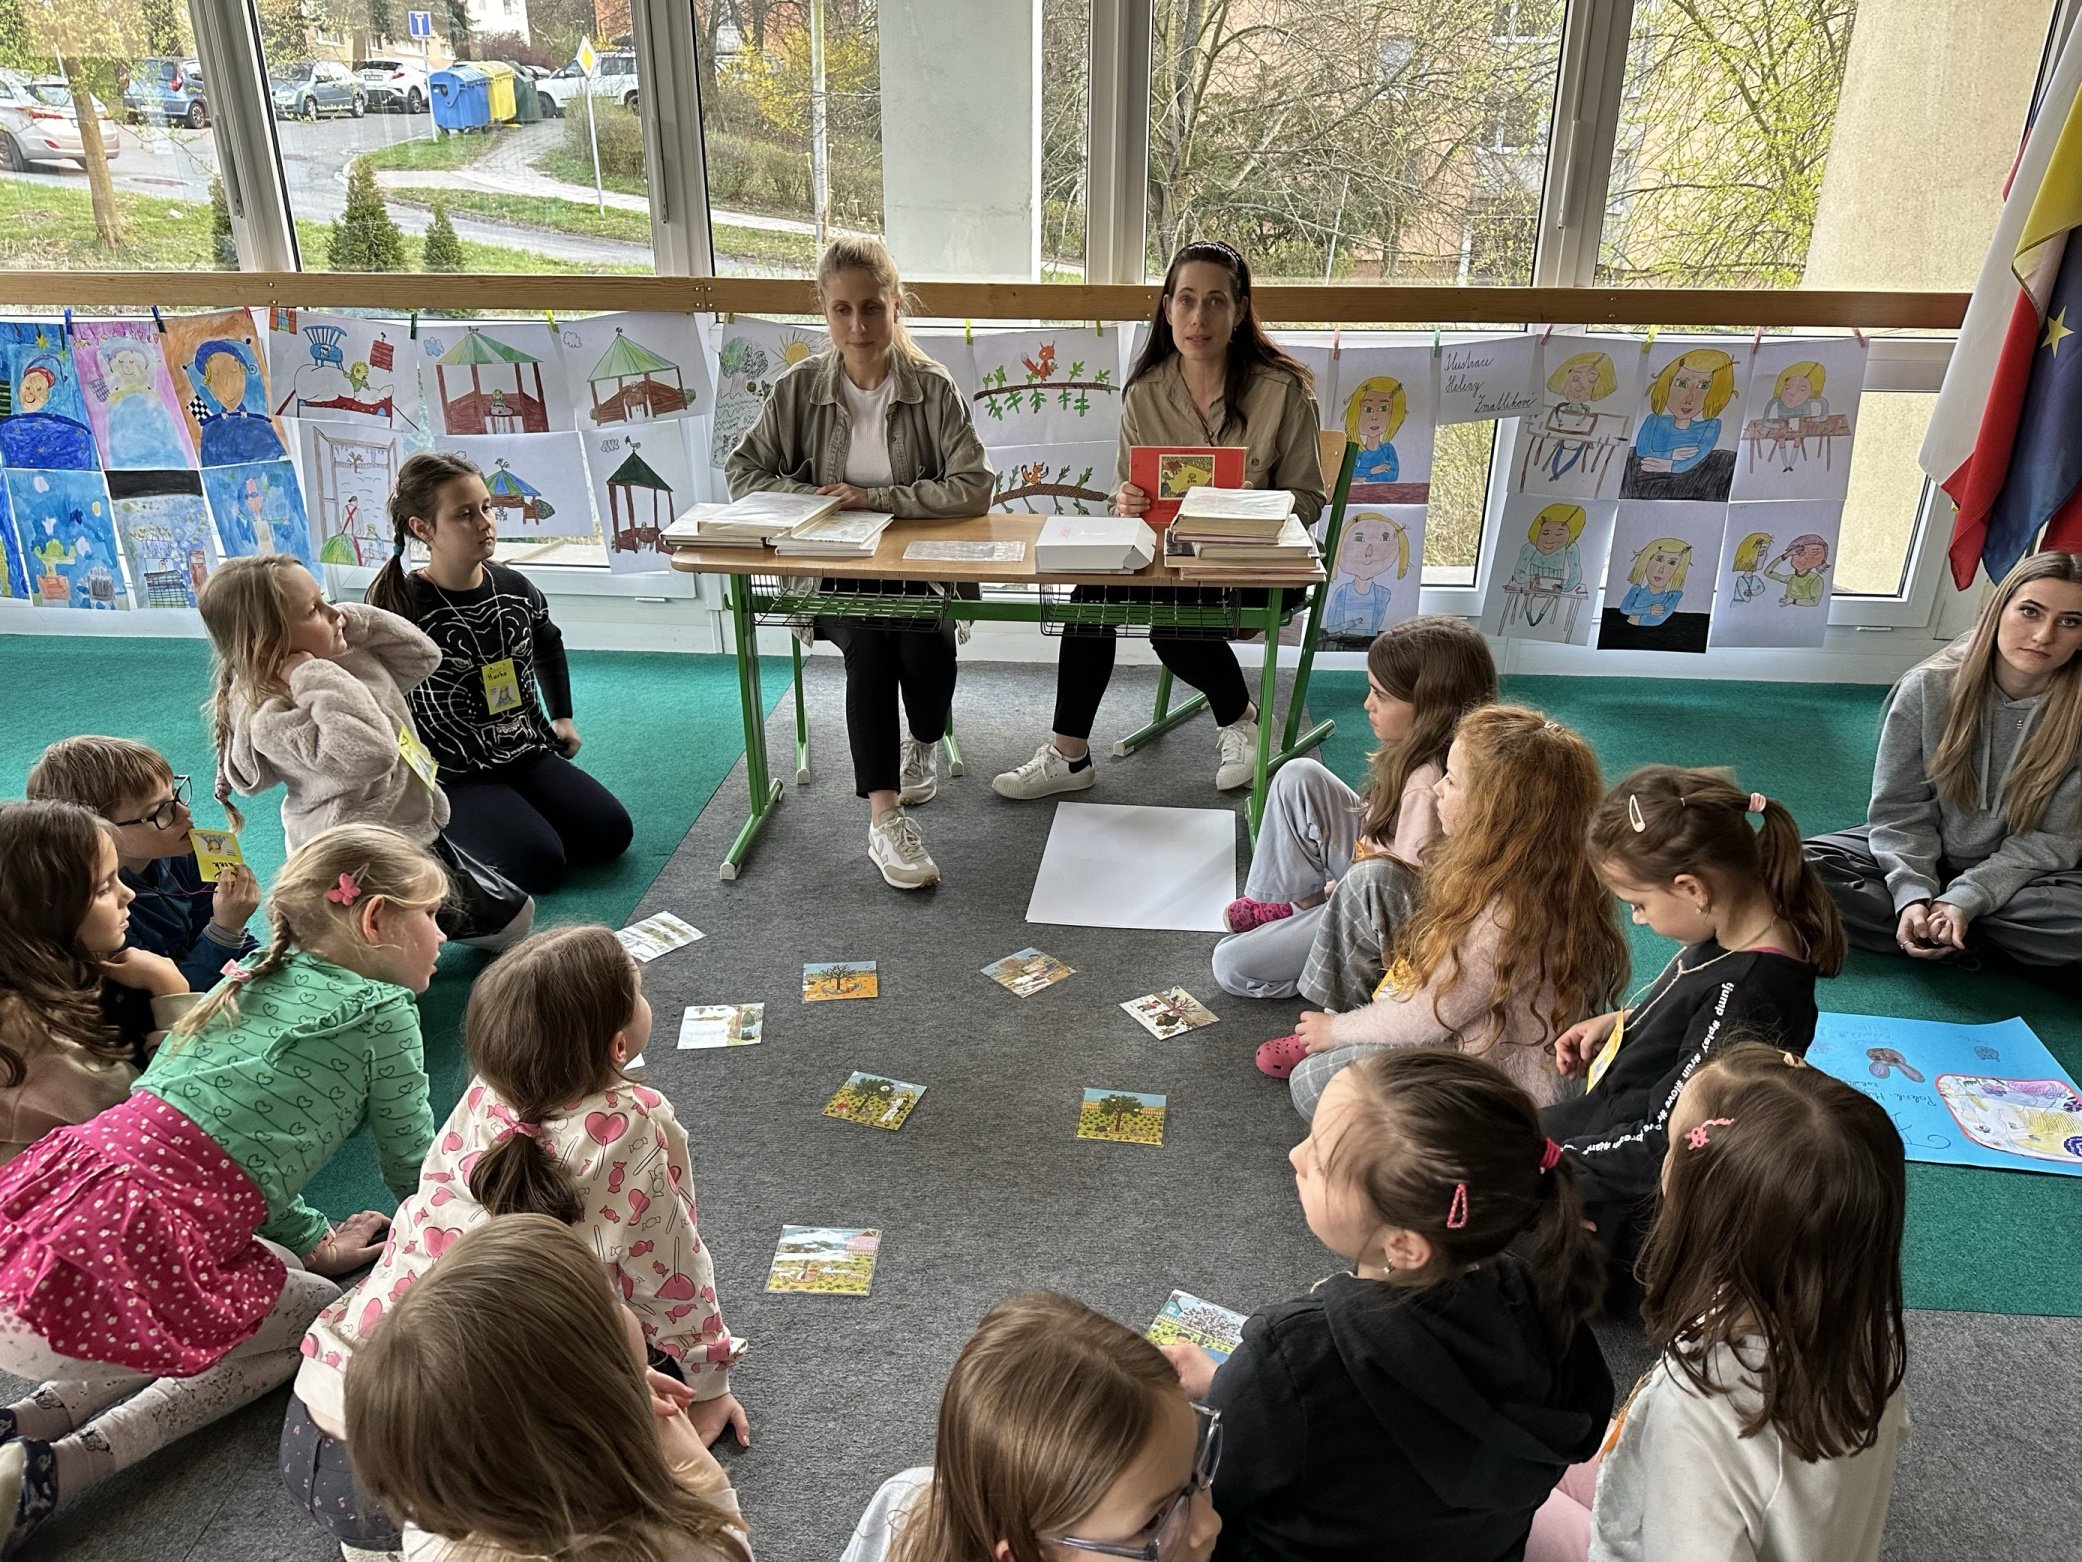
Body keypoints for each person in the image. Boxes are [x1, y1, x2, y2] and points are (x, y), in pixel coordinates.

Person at [0, 823, 443, 1555]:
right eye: (430, 914)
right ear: (375, 920)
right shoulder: (383, 1012)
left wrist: (311, 1239)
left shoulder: (245, 978)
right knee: (317, 1319)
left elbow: (248, 1158)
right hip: (105, 1266)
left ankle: (27, 1419)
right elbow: (415, 1169)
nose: (441, 933)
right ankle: (60, 1470)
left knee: (280, 1269)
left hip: (42, 1244)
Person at [285, 924, 747, 1556]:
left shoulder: (485, 1091)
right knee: (623, 1364)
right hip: (446, 1473)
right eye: (639, 992)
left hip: (317, 1435)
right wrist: (710, 1382)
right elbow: (672, 1268)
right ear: (618, 1045)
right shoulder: (635, 1121)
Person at [1161, 1049, 1612, 1561]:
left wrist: (1228, 1391)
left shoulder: (1288, 1356)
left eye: (1321, 1160)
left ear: (1404, 1246)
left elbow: (1211, 1497)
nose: (1295, 1155)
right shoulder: (1551, 1305)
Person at [1530, 1044, 1908, 1562]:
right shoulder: (1862, 1334)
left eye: (1672, 1148)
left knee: (1484, 1491)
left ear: (1708, 1212)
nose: (1663, 1167)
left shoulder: (1702, 1409)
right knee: (1525, 1446)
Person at [993, 241, 1326, 801]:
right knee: (1090, 596)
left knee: (1172, 628)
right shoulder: (1145, 393)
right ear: (1167, 307)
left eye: (1216, 301)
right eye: (1187, 300)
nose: (1200, 317)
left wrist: (1255, 505)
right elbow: (1126, 500)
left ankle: (1241, 718)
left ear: (1240, 310)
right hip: (1171, 557)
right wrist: (1125, 501)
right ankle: (1069, 755)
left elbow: (1310, 498)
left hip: (1256, 562)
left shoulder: (1283, 390)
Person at [728, 235, 993, 892]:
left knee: (926, 646)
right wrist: (818, 501)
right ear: (823, 310)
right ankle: (884, 817)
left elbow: (974, 486)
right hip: (831, 569)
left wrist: (876, 498)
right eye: (841, 310)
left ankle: (922, 741)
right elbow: (743, 472)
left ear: (896, 306)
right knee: (871, 644)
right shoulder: (798, 389)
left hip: (920, 567)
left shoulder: (932, 387)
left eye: (872, 307)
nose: (858, 326)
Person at [1552, 767, 1845, 1313]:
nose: (1637, 919)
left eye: (1638, 904)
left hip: (1647, 1201)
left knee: (1478, 1197)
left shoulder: (1750, 994)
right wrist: (1623, 1020)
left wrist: (1549, 1169)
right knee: (1476, 1138)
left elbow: (1668, 1144)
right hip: (1619, 1124)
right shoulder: (1736, 925)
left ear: (1692, 889)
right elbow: (1692, 1014)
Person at [1265, 707, 1628, 1123]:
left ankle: (1336, 1035)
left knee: (1312, 1082)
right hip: (1463, 1020)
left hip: (1495, 1087)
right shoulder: (1528, 864)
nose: (1437, 788)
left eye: (1452, 781)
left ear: (1496, 812)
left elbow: (1429, 1015)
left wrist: (1337, 1032)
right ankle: (1339, 1027)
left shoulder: (1511, 914)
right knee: (1375, 879)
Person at [345, 1215, 750, 1562]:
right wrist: (708, 1482)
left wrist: (614, 1389)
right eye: (609, 1302)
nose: (623, 1307)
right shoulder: (668, 1547)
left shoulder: (440, 1522)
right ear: (584, 1426)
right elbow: (729, 1550)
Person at [199, 553, 533, 950]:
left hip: (408, 817)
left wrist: (348, 622)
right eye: (314, 610)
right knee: (472, 929)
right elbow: (371, 753)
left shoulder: (345, 656)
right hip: (361, 849)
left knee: (514, 915)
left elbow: (423, 657)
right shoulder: (275, 713)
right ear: (269, 642)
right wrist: (310, 674)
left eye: (325, 599)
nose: (334, 613)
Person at [364, 451, 633, 895]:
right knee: (539, 866)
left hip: (525, 750)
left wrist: (562, 717)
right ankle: (447, 834)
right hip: (454, 772)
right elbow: (372, 693)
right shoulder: (400, 607)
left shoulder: (513, 586)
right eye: (464, 514)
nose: (485, 523)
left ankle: (515, 815)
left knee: (611, 834)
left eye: (486, 508)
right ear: (423, 528)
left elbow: (548, 642)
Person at [1805, 550, 2082, 974]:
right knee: (1788, 869)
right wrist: (1912, 893)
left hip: (2031, 877)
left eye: (2070, 621)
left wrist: (1965, 900)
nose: (2043, 636)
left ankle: (1945, 929)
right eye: (2030, 611)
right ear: (1997, 611)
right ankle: (1955, 932)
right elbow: (1899, 811)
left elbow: (2054, 842)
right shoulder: (1928, 687)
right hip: (1926, 849)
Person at [1212, 615, 1496, 1000]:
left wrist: (1338, 892)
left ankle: (1339, 969)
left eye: (1381, 695)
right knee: (1299, 774)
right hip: (1367, 871)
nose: (1367, 704)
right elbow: (1380, 847)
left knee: (1230, 965)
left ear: (1431, 706)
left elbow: (1397, 900)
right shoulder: (1420, 756)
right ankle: (1298, 905)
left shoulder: (1427, 788)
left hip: (1377, 912)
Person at [841, 1290, 1220, 1562]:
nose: (1211, 1525)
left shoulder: (906, 1493)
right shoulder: (896, 1508)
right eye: (1153, 1521)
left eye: (1197, 1465)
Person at [0, 800, 199, 1166]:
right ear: (45, 910)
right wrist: (172, 992)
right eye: (105, 888)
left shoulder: (34, 967)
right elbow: (170, 1118)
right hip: (66, 1190)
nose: (128, 894)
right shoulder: (37, 1039)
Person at [26, 736, 260, 993]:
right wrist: (226, 928)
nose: (184, 812)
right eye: (160, 811)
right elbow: (171, 995)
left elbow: (232, 941)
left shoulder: (184, 852)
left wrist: (265, 961)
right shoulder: (100, 913)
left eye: (176, 795)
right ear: (100, 831)